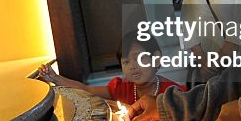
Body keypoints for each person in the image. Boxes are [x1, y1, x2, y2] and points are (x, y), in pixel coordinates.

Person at [38, 34, 185, 105]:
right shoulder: (122, 88)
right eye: (126, 62)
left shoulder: (172, 92)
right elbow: (85, 90)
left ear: (157, 58)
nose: (132, 66)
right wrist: (56, 78)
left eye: (139, 58)